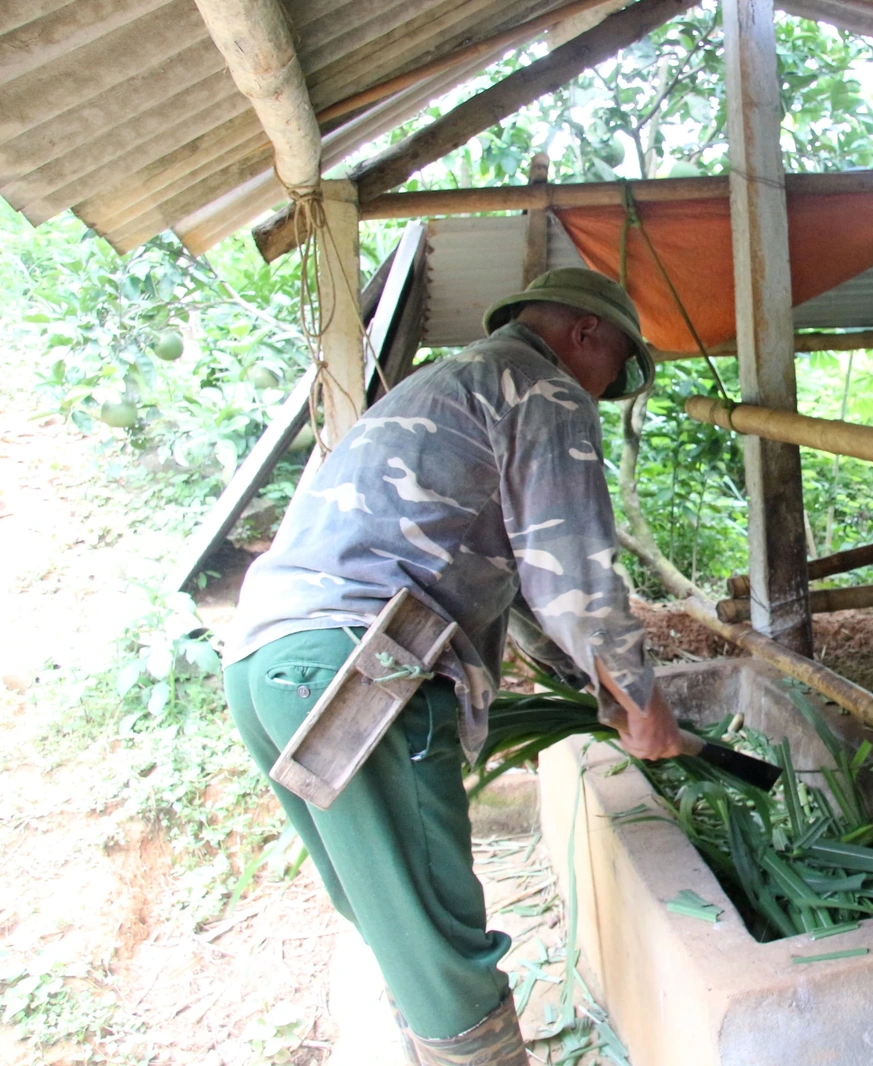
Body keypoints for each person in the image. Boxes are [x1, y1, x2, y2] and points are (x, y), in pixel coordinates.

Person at [222, 268, 681, 1065]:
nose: (606, 392)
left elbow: (528, 593)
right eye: (616, 368)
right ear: (584, 334)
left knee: (401, 933)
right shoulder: (543, 389)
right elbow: (573, 571)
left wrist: (592, 688)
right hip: (367, 672)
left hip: (271, 663)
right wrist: (639, 698)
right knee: (444, 952)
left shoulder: (451, 383)